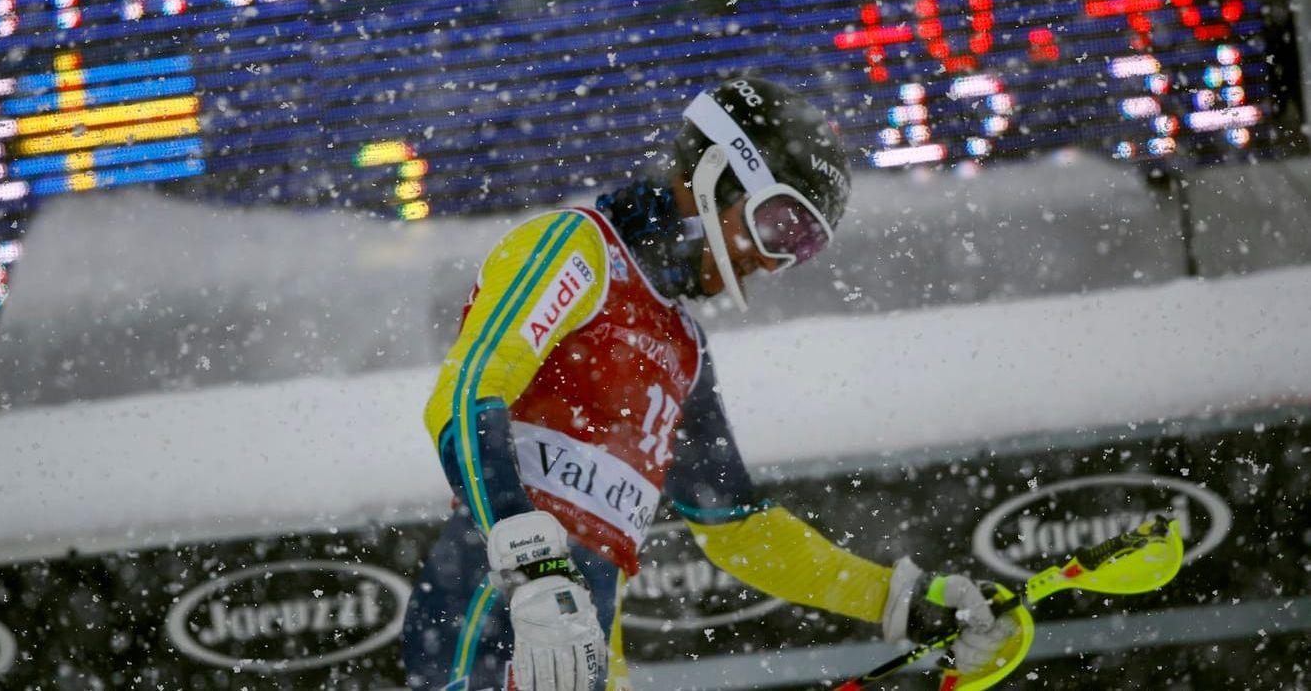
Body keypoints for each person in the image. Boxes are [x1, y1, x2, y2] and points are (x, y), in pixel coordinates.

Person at [401, 78, 1030, 691]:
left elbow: (740, 530)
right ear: (716, 179)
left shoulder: (685, 350)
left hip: (582, 640)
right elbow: (465, 395)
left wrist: (904, 602)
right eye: (781, 226)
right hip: (492, 607)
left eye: (802, 248)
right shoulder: (578, 248)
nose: (775, 260)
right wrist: (534, 562)